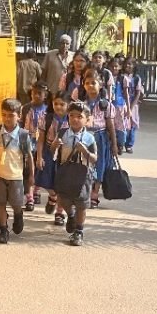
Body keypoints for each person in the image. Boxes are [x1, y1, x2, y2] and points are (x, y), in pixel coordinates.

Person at [0, 98, 33, 244]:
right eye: (4, 115)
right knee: (0, 202)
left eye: (11, 115)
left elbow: (29, 157)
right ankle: (3, 230)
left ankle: (18, 214)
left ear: (19, 116)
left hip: (15, 175)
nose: (7, 118)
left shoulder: (23, 135)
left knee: (16, 203)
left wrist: (31, 176)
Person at [53, 101, 97, 246]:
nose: (75, 119)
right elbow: (52, 152)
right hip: (65, 172)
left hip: (82, 175)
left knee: (81, 204)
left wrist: (85, 151)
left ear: (87, 120)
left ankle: (79, 231)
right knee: (63, 199)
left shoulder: (89, 138)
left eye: (79, 116)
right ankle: (71, 215)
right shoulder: (62, 133)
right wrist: (55, 145)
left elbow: (94, 158)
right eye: (72, 115)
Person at [78, 67, 118, 207]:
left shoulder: (105, 104)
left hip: (100, 138)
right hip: (84, 137)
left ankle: (95, 193)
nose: (90, 86)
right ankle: (85, 191)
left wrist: (114, 144)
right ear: (83, 85)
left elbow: (110, 125)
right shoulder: (81, 104)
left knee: (99, 165)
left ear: (100, 84)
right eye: (87, 83)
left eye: (93, 83)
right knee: (84, 164)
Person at [37, 92, 70, 224]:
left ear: (68, 105)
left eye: (62, 104)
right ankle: (52, 196)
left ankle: (59, 213)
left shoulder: (71, 119)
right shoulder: (46, 118)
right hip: (48, 152)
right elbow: (41, 139)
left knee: (62, 184)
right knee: (45, 180)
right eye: (56, 104)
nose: (58, 107)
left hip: (65, 154)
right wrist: (39, 157)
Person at [20, 82, 50, 209]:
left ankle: (37, 190)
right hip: (28, 141)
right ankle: (29, 197)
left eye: (39, 93)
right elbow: (21, 124)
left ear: (45, 95)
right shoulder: (25, 108)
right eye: (34, 93)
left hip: (41, 142)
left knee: (39, 167)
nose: (36, 96)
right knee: (28, 169)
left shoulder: (48, 109)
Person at [123, 58, 146, 153]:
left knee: (132, 124)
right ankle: (121, 143)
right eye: (126, 64)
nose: (127, 66)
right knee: (122, 124)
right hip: (122, 104)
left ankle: (129, 145)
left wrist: (131, 107)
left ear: (134, 66)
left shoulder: (136, 78)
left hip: (133, 104)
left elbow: (137, 93)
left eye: (130, 64)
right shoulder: (121, 76)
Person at [109, 58, 130, 155]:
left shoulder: (123, 79)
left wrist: (128, 109)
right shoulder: (107, 76)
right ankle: (112, 143)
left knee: (121, 127)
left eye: (116, 66)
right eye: (112, 66)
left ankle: (120, 144)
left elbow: (126, 94)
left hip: (120, 106)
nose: (114, 68)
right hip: (110, 105)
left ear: (120, 67)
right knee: (110, 125)